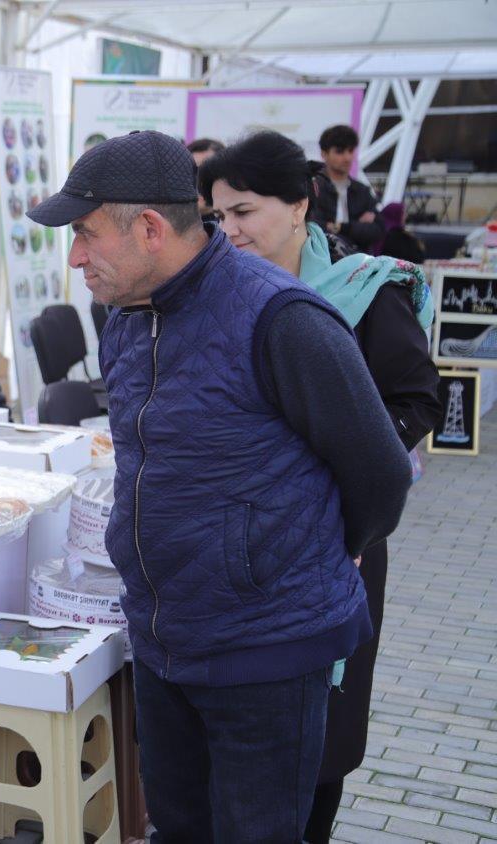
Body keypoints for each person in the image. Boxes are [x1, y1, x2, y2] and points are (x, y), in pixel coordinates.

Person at [27, 130, 413, 841]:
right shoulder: (123, 323)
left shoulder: (281, 319)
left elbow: (382, 474)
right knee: (178, 831)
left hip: (265, 654)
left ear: (148, 229)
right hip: (164, 643)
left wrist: (303, 553)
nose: (75, 256)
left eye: (84, 234)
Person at [198, 130, 441, 843]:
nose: (230, 232)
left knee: (322, 726)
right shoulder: (219, 287)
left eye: (244, 212)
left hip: (343, 537)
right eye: (217, 217)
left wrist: (336, 459)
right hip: (244, 541)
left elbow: (418, 399)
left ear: (300, 205)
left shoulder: (365, 290)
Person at [313, 124, 384, 252]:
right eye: (340, 151)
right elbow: (313, 228)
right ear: (324, 154)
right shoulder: (314, 188)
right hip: (324, 259)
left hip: (361, 261)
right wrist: (356, 225)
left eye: (351, 151)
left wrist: (339, 227)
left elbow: (377, 231)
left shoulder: (362, 191)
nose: (347, 158)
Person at [187, 138, 224, 224]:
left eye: (205, 171)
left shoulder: (232, 230)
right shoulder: (167, 226)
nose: (197, 180)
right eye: (189, 171)